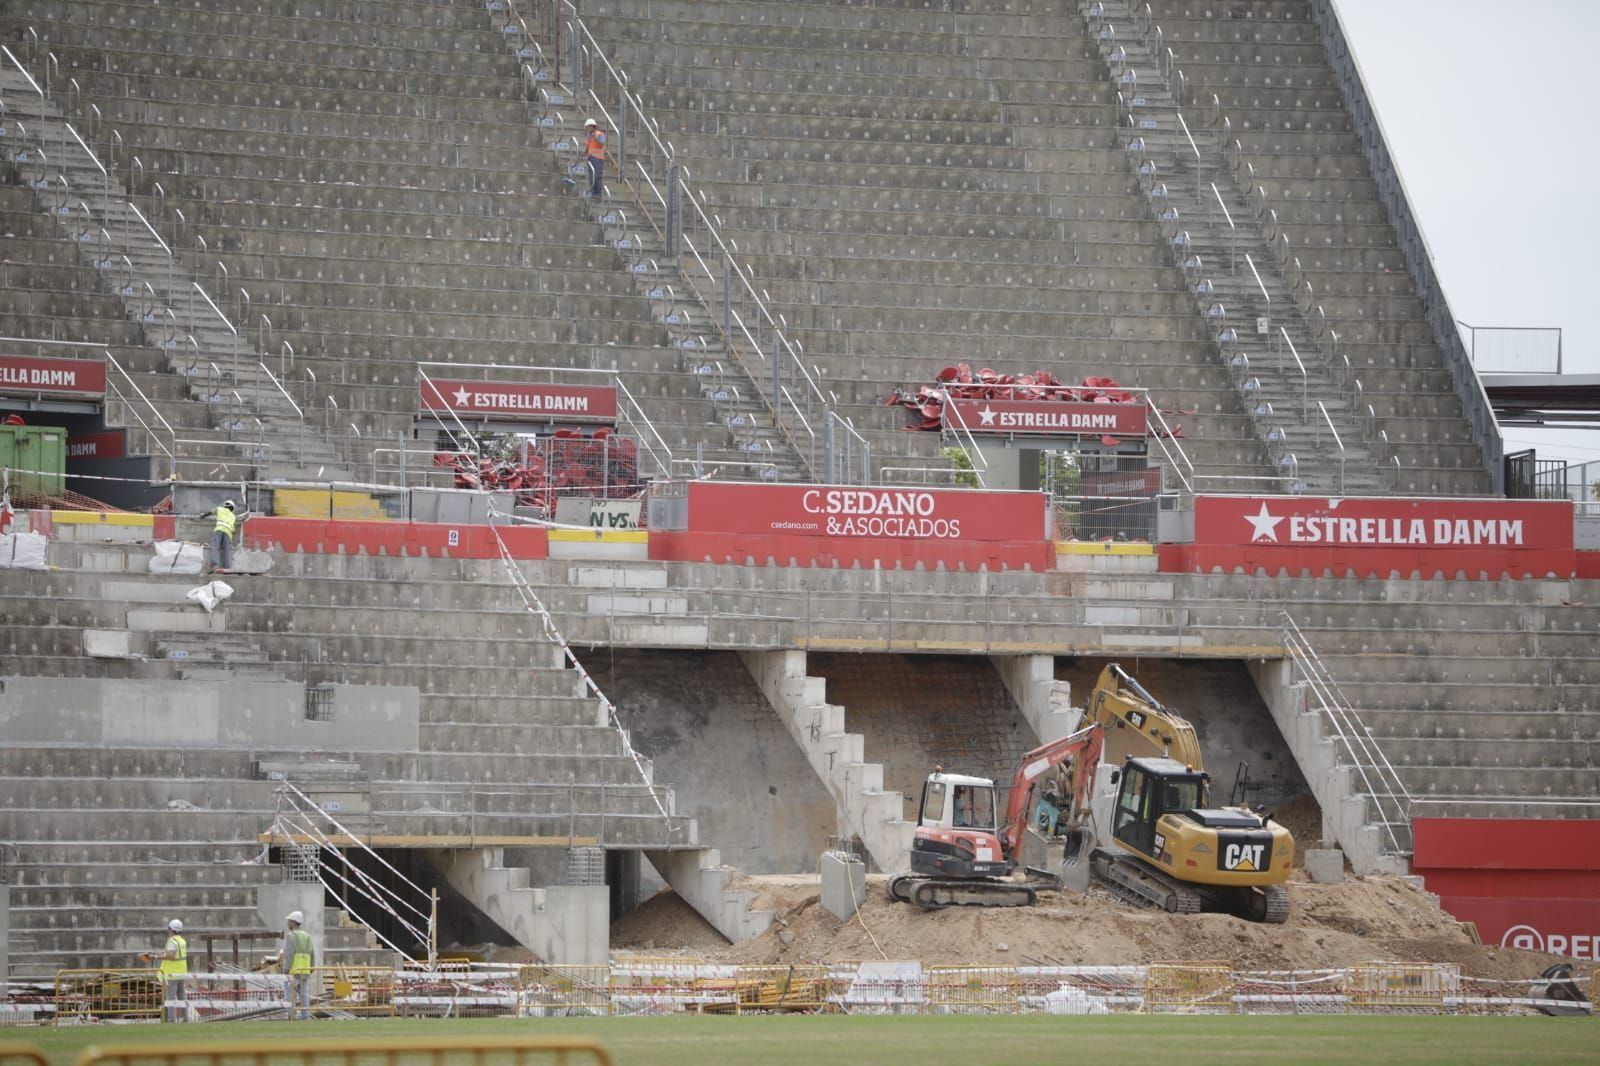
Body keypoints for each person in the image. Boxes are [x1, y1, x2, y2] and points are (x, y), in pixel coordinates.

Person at [140, 918, 187, 1023]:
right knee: (181, 997)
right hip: (181, 973)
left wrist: (155, 957)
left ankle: (171, 1019)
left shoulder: (172, 941)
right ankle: (185, 1018)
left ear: (170, 929)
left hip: (172, 974)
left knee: (170, 998)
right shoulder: (182, 941)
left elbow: (171, 955)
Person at [282, 910, 316, 1020]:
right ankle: (305, 1017)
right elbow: (312, 953)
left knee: (289, 996)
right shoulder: (307, 936)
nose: (288, 923)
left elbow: (289, 955)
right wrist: (311, 967)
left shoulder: (291, 935)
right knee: (304, 996)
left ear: (293, 922)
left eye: (289, 921)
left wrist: (286, 969)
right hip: (305, 971)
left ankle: (292, 1016)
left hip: (293, 971)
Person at [208, 499, 237, 573]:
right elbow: (233, 531)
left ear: (224, 506)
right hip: (228, 533)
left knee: (215, 547)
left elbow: (210, 512)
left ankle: (215, 566)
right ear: (232, 508)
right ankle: (227, 568)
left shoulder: (220, 509)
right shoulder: (233, 516)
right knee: (228, 550)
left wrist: (202, 516)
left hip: (219, 529)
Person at [582, 118, 606, 199]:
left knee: (597, 176)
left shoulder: (599, 134)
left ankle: (598, 193)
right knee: (591, 176)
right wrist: (585, 151)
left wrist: (596, 137)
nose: (587, 129)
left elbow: (602, 143)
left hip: (598, 158)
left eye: (588, 127)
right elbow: (588, 145)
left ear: (592, 126)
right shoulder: (589, 136)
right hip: (591, 157)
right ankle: (593, 192)